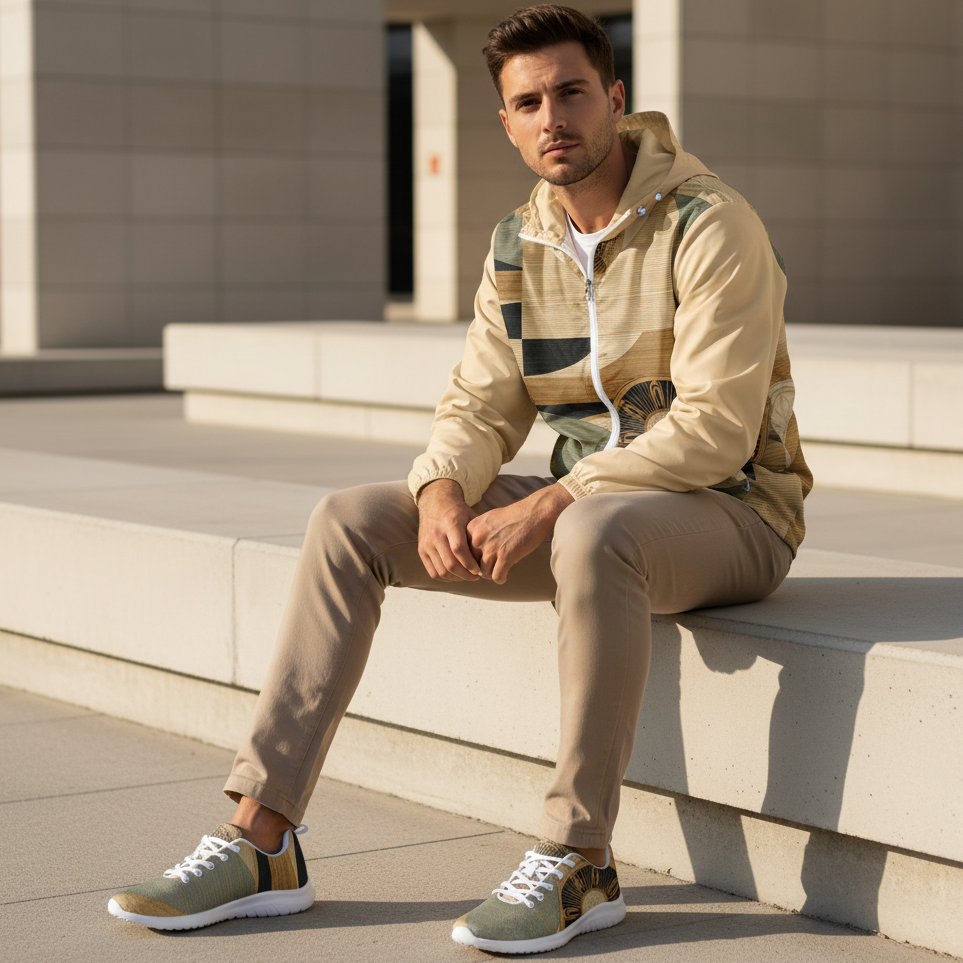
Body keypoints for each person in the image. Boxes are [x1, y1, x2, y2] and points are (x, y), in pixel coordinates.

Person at [107, 3, 811, 954]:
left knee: (592, 529)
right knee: (352, 518)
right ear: (507, 122)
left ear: (613, 97)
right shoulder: (519, 244)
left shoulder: (708, 221)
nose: (551, 116)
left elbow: (717, 430)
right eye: (527, 102)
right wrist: (442, 489)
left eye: (570, 92)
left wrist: (562, 496)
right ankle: (262, 837)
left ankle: (579, 857)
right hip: (592, 519)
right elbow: (481, 404)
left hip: (732, 516)